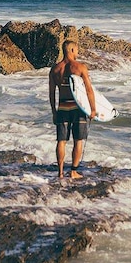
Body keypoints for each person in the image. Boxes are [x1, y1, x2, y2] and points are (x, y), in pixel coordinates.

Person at [49, 40, 97, 179]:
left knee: (61, 141)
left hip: (63, 106)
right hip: (78, 107)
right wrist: (92, 109)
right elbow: (89, 90)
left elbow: (51, 93)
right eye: (76, 50)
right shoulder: (80, 67)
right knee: (78, 140)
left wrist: (54, 112)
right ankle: (74, 171)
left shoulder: (55, 69)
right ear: (71, 50)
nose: (78, 53)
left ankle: (60, 172)